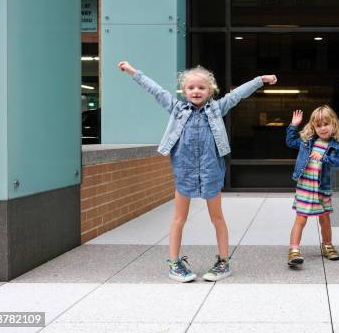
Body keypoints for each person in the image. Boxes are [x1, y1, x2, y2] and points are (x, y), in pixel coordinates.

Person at [118, 61, 277, 281]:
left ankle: (223, 262)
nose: (196, 91)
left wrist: (260, 80)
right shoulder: (177, 108)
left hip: (211, 171)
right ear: (184, 91)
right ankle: (174, 263)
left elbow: (238, 94)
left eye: (201, 88)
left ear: (210, 91)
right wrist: (133, 72)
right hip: (184, 171)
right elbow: (155, 89)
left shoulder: (217, 109)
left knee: (217, 218)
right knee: (178, 219)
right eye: (191, 88)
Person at [285, 106, 339, 266]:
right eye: (318, 125)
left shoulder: (337, 146)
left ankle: (327, 246)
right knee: (301, 218)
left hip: (322, 188)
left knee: (324, 218)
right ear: (313, 127)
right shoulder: (307, 142)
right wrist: (293, 125)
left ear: (334, 124)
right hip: (305, 186)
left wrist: (324, 157)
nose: (323, 128)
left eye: (326, 124)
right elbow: (290, 142)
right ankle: (294, 250)